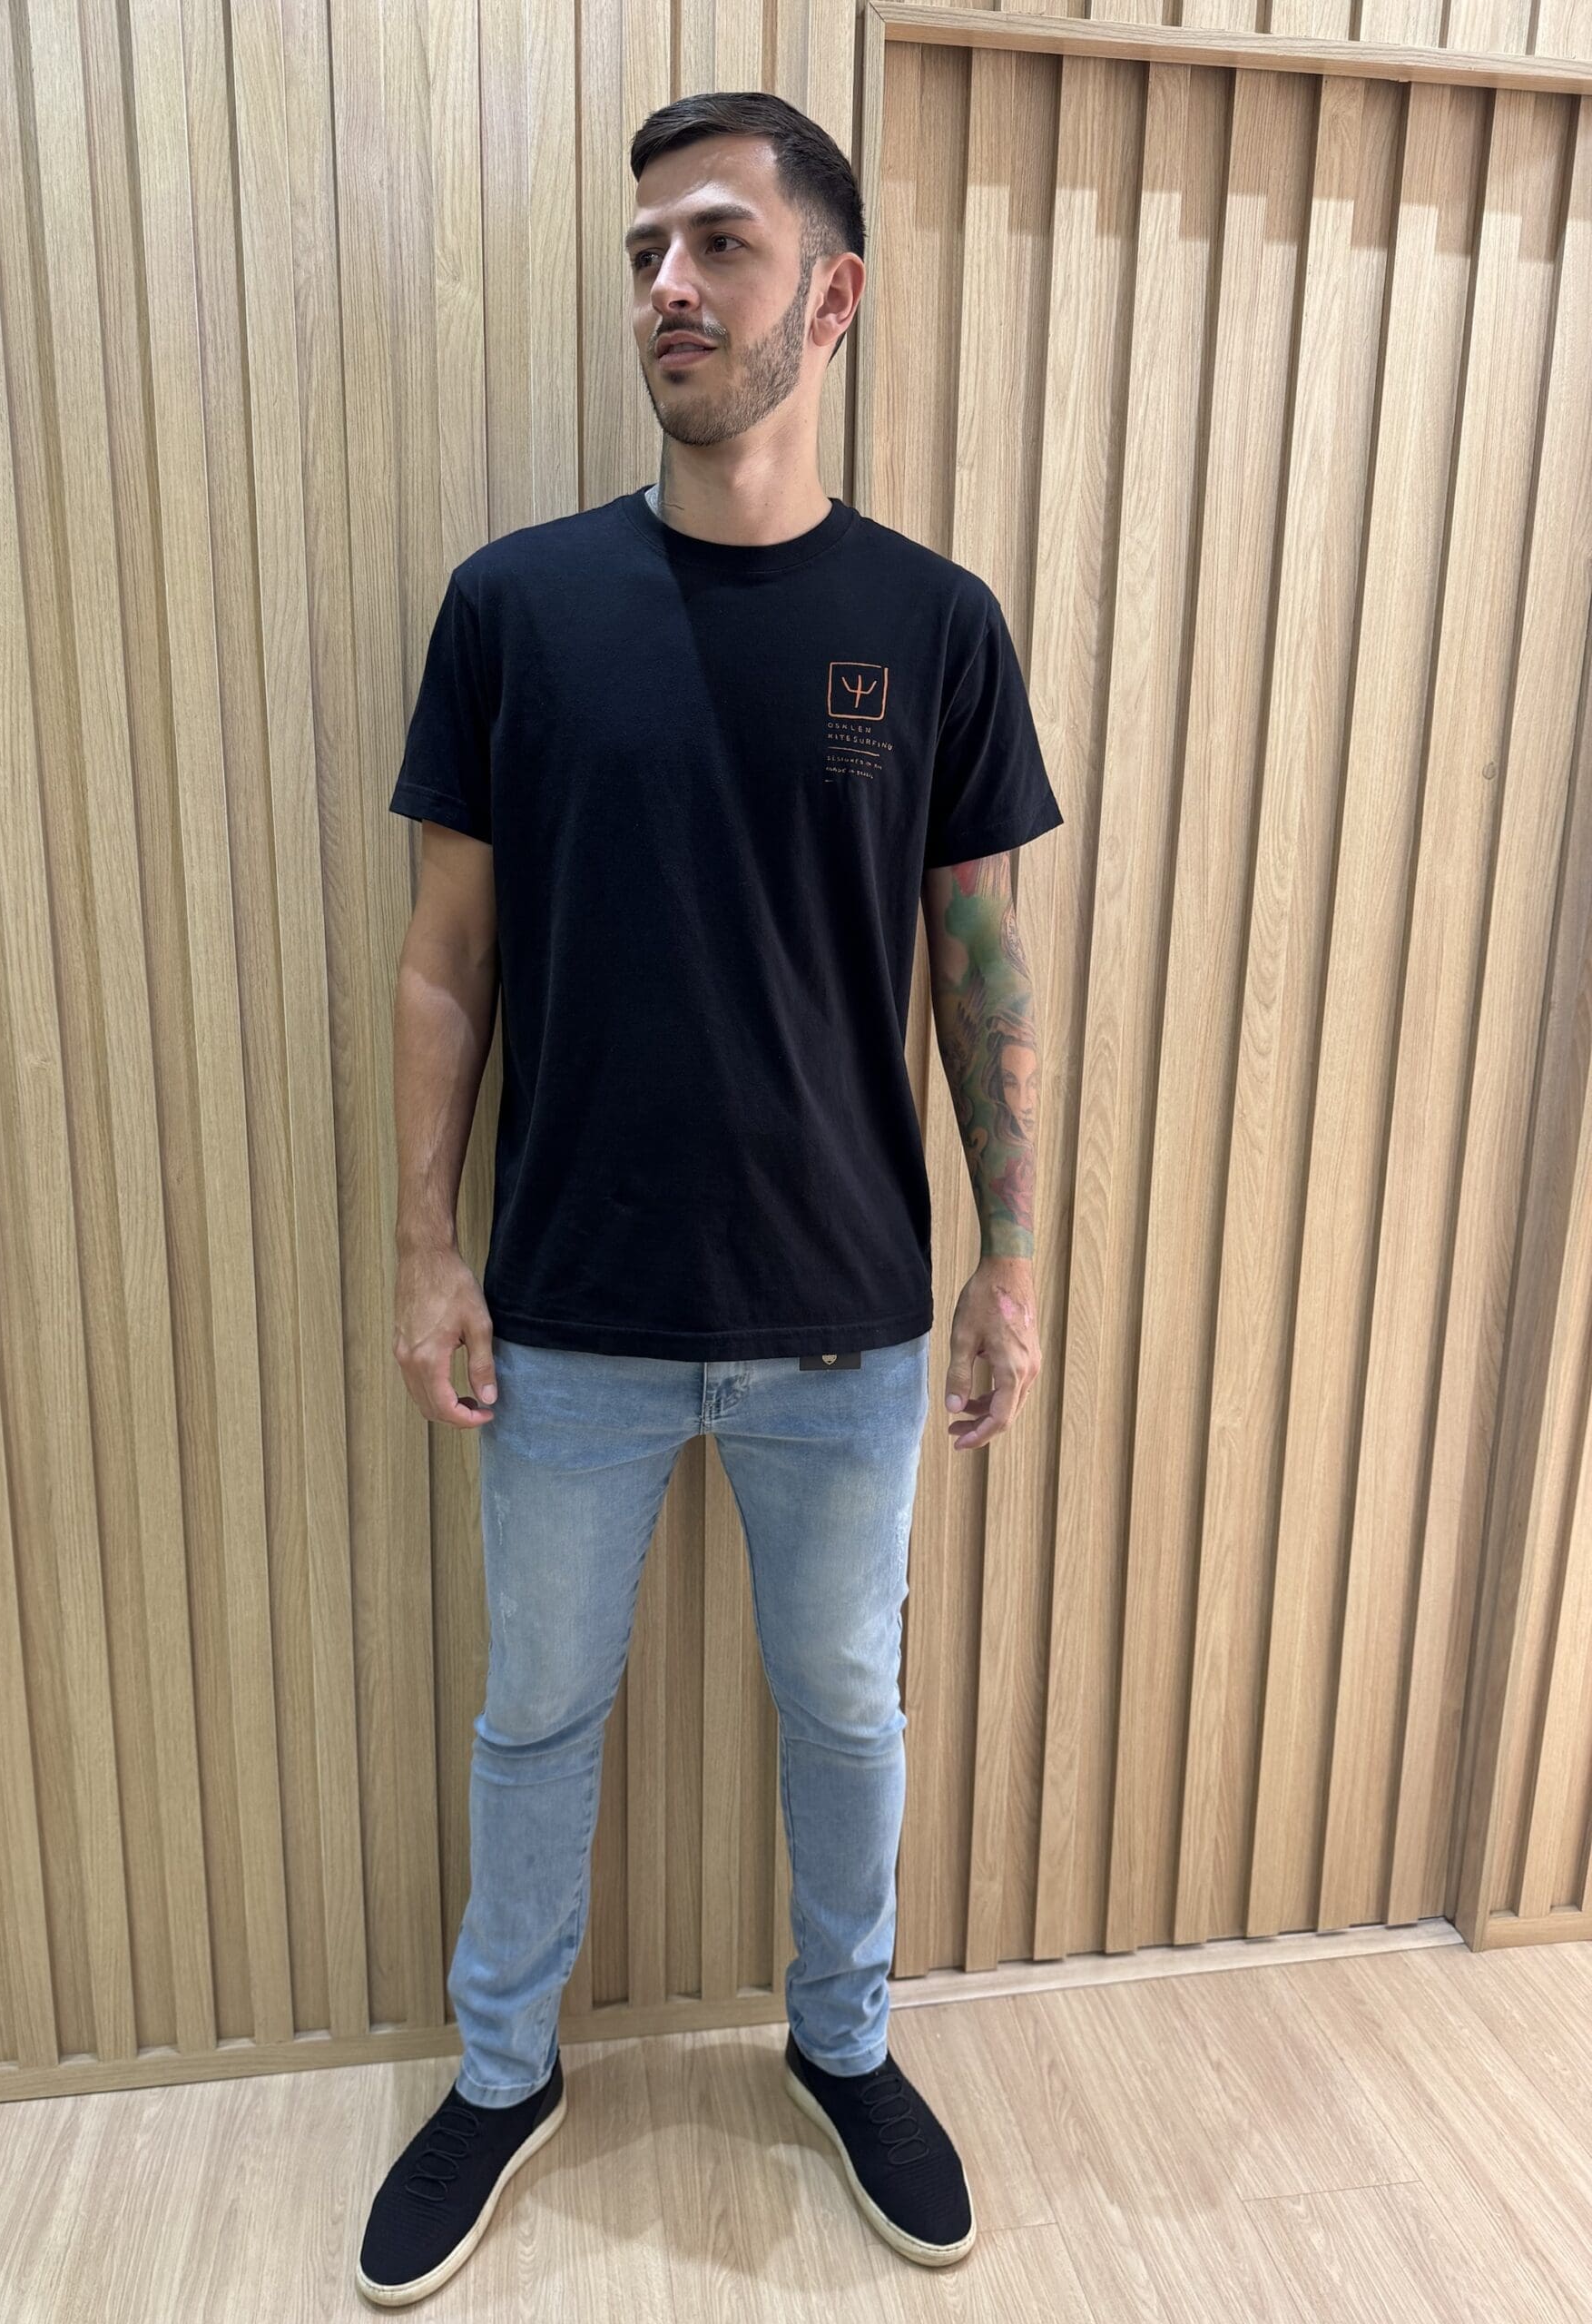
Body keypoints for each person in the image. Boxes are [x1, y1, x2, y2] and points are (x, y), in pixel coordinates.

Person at [358, 86, 1063, 2310]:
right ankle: (500, 2071)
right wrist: (425, 1245)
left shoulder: (932, 625)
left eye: (719, 244)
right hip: (567, 1307)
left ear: (830, 298)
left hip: (845, 1316)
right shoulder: (516, 608)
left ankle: (843, 2041)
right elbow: (443, 960)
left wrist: (1013, 1258)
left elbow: (979, 961)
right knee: (534, 1714)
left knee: (847, 1710)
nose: (667, 285)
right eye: (646, 248)